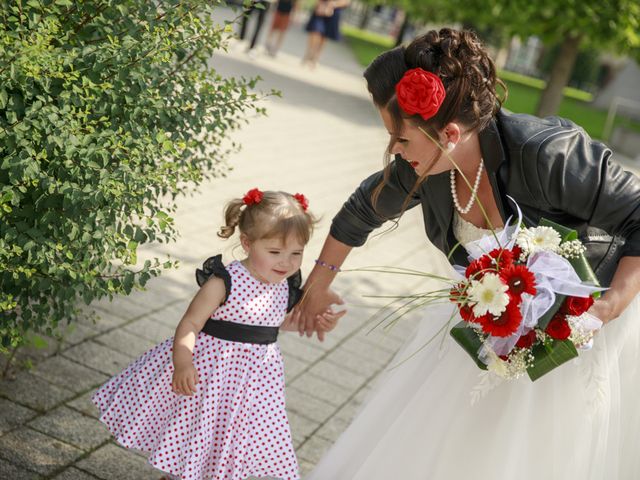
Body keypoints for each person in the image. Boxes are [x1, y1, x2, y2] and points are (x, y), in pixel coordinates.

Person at [298, 28, 640, 479]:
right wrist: (315, 289)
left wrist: (609, 306)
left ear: (451, 132)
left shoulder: (546, 153)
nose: (394, 152)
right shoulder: (422, 165)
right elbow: (360, 212)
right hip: (497, 328)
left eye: (401, 140)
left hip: (587, 323)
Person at [92, 189, 339, 480]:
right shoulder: (225, 281)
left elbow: (272, 323)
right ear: (247, 244)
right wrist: (183, 362)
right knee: (198, 429)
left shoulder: (284, 286)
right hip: (211, 375)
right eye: (274, 252)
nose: (286, 262)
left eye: (296, 253)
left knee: (229, 437)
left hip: (252, 385)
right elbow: (190, 324)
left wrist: (311, 323)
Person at [302, 0, 350, 68]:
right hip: (321, 7)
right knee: (315, 31)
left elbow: (346, 2)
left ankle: (315, 58)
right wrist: (320, 4)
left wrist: (333, 4)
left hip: (334, 11)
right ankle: (309, 53)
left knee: (324, 37)